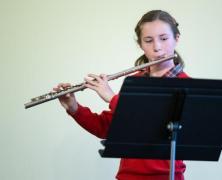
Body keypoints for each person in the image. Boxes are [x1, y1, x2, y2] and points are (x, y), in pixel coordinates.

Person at [54, 10, 189, 180]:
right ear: (140, 44)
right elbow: (106, 128)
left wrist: (111, 97)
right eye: (148, 40)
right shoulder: (134, 82)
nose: (157, 47)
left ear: (176, 39)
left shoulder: (187, 86)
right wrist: (74, 108)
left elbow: (152, 123)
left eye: (164, 38)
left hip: (167, 177)